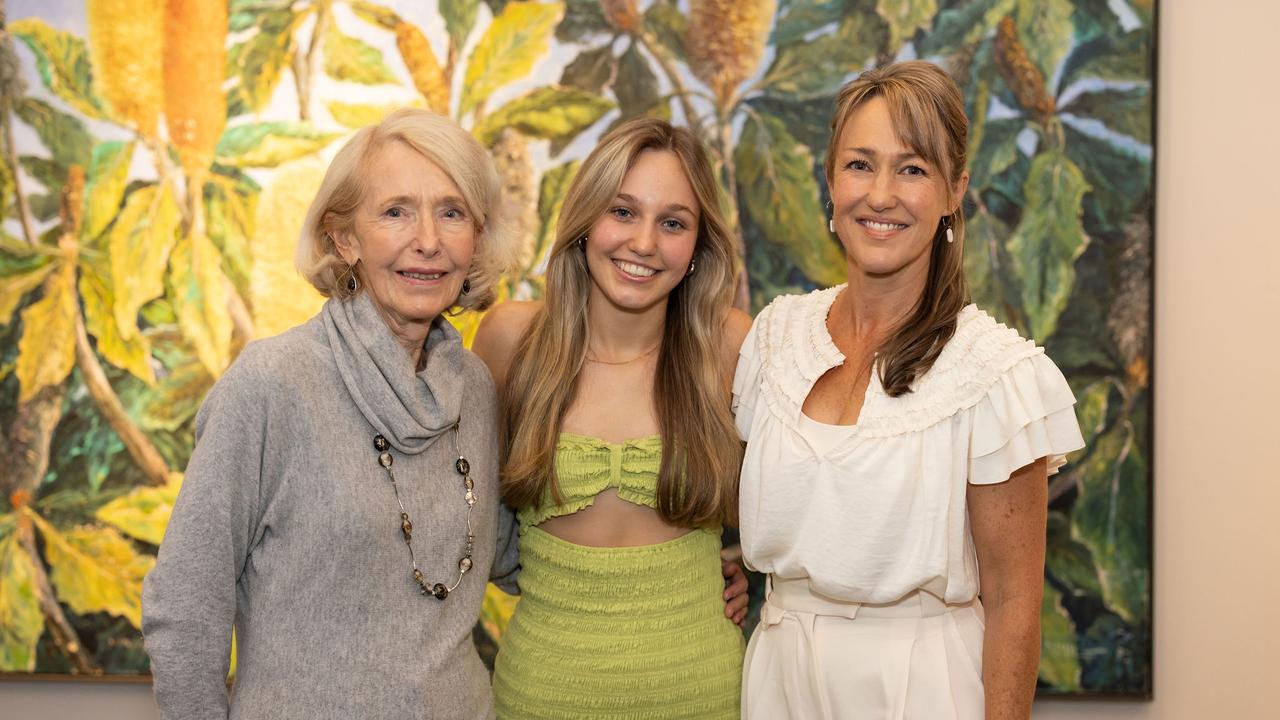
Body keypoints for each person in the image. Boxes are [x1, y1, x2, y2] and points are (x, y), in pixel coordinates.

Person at [732, 61, 1087, 720]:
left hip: (919, 690)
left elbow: (1015, 605)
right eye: (860, 164)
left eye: (913, 169)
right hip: (779, 680)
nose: (881, 194)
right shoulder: (775, 338)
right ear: (830, 181)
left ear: (955, 192)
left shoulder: (995, 376)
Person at [142, 108, 520, 719]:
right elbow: (185, 604)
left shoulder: (473, 386)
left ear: (475, 237)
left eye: (451, 212)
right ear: (345, 239)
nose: (427, 239)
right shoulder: (271, 384)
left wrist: (670, 564)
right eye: (396, 211)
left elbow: (504, 551)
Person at [473, 117, 751, 719]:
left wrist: (752, 570)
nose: (644, 243)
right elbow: (463, 513)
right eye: (622, 212)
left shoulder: (729, 345)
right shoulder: (511, 338)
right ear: (585, 220)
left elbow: (803, 503)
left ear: (698, 246)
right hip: (544, 693)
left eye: (672, 222)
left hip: (702, 691)